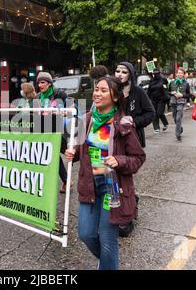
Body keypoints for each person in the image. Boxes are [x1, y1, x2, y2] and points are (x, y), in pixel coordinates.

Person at [64, 76, 146, 270]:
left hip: (112, 186)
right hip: (89, 184)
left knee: (107, 239)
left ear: (115, 97)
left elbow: (138, 157)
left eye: (102, 90)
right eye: (96, 89)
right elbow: (80, 147)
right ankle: (109, 263)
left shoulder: (123, 125)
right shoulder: (88, 120)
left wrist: (120, 160)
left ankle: (108, 265)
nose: (96, 94)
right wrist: (73, 152)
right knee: (86, 234)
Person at [113, 62, 154, 237]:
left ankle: (128, 212)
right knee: (115, 174)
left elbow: (150, 113)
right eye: (117, 71)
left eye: (124, 72)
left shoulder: (138, 92)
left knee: (126, 175)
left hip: (131, 140)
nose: (120, 74)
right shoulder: (111, 90)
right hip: (113, 140)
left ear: (130, 75)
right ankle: (123, 204)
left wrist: (134, 122)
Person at [35, 72, 69, 193]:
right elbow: (34, 114)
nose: (40, 85)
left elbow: (72, 110)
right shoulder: (37, 97)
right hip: (44, 130)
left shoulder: (60, 94)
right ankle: (66, 181)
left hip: (58, 129)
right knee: (51, 155)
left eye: (43, 82)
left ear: (49, 84)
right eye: (39, 82)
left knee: (65, 154)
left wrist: (57, 112)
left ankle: (71, 179)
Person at [168, 68, 191, 141]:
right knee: (175, 118)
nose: (180, 74)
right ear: (176, 74)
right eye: (178, 73)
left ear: (184, 74)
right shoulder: (172, 82)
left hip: (181, 102)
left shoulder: (186, 83)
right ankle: (180, 128)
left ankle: (178, 135)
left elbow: (188, 95)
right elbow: (167, 92)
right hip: (173, 102)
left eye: (181, 73)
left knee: (178, 118)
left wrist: (182, 95)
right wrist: (172, 93)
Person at [147, 68, 169, 133]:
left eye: (157, 73)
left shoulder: (163, 79)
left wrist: (165, 88)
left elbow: (167, 85)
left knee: (159, 112)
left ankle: (165, 123)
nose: (156, 75)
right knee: (154, 113)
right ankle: (156, 128)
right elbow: (149, 90)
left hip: (162, 99)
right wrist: (147, 99)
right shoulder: (151, 81)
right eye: (154, 74)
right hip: (153, 99)